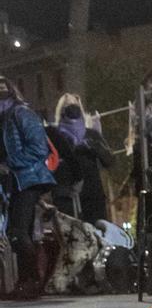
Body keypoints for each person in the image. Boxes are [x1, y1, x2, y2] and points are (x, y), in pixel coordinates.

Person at [0, 77, 55, 294]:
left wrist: (10, 165)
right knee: (18, 233)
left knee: (18, 231)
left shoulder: (21, 114)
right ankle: (26, 281)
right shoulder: (5, 118)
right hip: (14, 181)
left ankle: (32, 280)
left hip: (28, 179)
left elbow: (39, 148)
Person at [52, 92, 115, 223]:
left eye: (74, 105)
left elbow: (109, 161)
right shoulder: (54, 136)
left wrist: (95, 147)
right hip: (66, 195)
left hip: (92, 194)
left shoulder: (91, 134)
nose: (71, 108)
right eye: (67, 105)